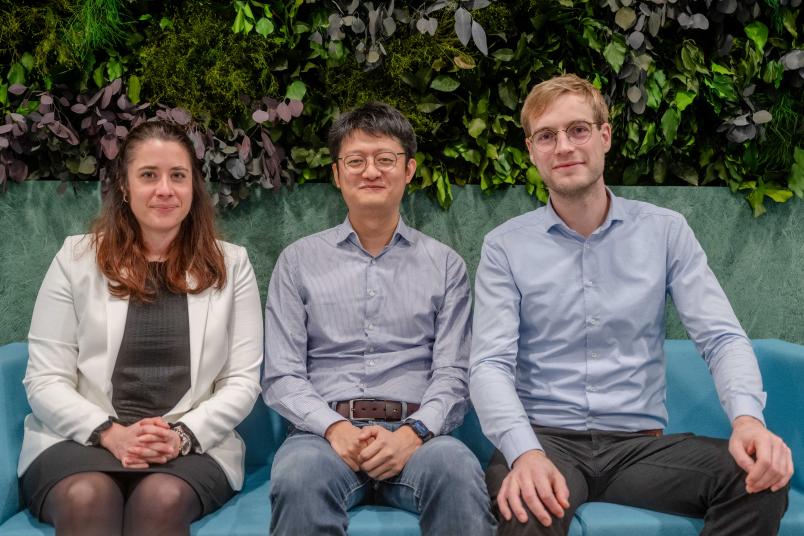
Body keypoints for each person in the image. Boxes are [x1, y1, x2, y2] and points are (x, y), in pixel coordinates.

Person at [469, 74, 792, 535]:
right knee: (530, 504)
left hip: (640, 448)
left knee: (758, 480)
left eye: (578, 130)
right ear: (532, 150)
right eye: (547, 136)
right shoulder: (505, 247)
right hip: (545, 441)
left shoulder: (665, 231)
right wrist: (525, 453)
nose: (563, 146)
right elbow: (488, 364)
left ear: (605, 136)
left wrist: (747, 422)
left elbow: (720, 337)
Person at [19, 120, 263, 536]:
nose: (164, 189)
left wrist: (180, 437)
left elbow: (242, 381)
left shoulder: (232, 265)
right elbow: (44, 378)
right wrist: (109, 434)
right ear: (126, 187)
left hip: (190, 446)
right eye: (149, 175)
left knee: (159, 498)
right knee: (88, 496)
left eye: (178, 176)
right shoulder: (75, 259)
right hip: (80, 441)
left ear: (193, 188)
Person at [263, 102, 495, 536]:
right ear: (336, 174)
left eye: (385, 159)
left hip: (421, 438)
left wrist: (412, 433)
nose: (371, 171)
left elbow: (453, 374)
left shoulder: (445, 265)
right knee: (298, 478)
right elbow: (282, 375)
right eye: (356, 161)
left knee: (459, 471)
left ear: (408, 171)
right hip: (322, 437)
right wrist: (335, 429)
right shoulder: (297, 262)